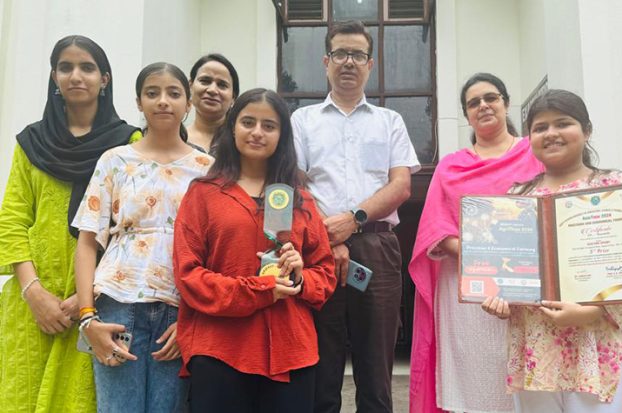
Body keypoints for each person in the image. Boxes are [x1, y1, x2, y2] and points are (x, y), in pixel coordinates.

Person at [482, 89, 622, 413]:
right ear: (529, 138)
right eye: (540, 128)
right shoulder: (517, 198)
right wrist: (500, 298)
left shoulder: (612, 187)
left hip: (596, 342)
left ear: (586, 130)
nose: (551, 134)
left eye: (563, 123)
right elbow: (505, 268)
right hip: (536, 344)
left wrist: (590, 312)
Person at [173, 88, 336, 413]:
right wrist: (257, 289)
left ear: (282, 135)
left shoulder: (300, 199)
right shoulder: (203, 194)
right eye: (248, 122)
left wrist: (300, 278)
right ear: (232, 127)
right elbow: (188, 275)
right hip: (221, 349)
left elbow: (326, 273)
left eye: (269, 126)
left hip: (290, 351)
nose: (257, 132)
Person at [0, 35, 140, 412]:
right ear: (54, 77)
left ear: (105, 79)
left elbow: (133, 229)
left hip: (98, 303)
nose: (76, 75)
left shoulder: (128, 144)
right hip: (33, 301)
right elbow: (12, 219)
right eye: (66, 67)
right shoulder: (31, 142)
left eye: (87, 67)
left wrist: (86, 297)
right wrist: (34, 293)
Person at [291, 20, 420, 412]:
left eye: (358, 55)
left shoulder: (389, 121)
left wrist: (354, 219)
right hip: (317, 248)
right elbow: (296, 186)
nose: (350, 61)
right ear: (326, 61)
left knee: (375, 364)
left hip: (377, 248)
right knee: (321, 360)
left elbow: (401, 186)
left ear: (371, 64)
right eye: (341, 54)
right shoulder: (302, 120)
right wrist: (332, 239)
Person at [72, 62, 213, 412]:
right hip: (117, 306)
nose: (163, 101)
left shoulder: (208, 169)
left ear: (188, 105)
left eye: (173, 93)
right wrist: (88, 317)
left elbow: (214, 252)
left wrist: (194, 321)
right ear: (138, 102)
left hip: (179, 309)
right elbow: (88, 242)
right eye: (152, 93)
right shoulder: (114, 161)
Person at [408, 72, 545, 413]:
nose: (483, 106)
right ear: (466, 115)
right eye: (473, 103)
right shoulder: (451, 166)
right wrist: (485, 256)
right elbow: (436, 229)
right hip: (468, 285)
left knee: (530, 378)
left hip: (529, 281)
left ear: (506, 103)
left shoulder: (535, 154)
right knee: (477, 378)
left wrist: (509, 262)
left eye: (491, 98)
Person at [187, 53, 240, 152]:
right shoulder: (174, 140)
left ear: (233, 97)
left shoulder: (242, 142)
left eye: (222, 85)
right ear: (190, 86)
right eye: (205, 81)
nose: (212, 90)